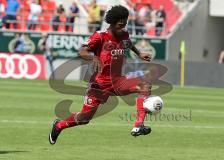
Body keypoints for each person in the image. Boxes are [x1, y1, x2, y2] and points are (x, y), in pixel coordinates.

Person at [49, 5, 153, 145]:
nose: (122, 27)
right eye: (120, 24)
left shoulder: (124, 34)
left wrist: (139, 53)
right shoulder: (100, 36)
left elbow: (128, 43)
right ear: (112, 22)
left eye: (125, 23)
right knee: (85, 118)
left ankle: (138, 125)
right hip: (99, 84)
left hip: (118, 82)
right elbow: (82, 51)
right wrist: (94, 58)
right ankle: (59, 125)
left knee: (145, 86)